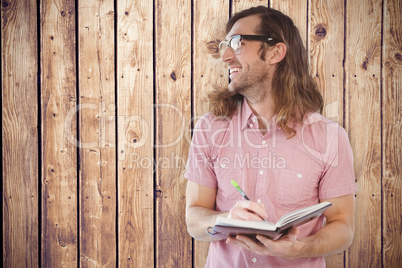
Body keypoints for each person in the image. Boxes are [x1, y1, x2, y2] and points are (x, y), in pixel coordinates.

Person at [185, 6, 356, 268]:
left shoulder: (330, 137)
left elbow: (342, 226)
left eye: (237, 43)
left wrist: (299, 248)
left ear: (275, 52)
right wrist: (224, 219)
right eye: (225, 45)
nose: (226, 56)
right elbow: (194, 218)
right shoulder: (210, 129)